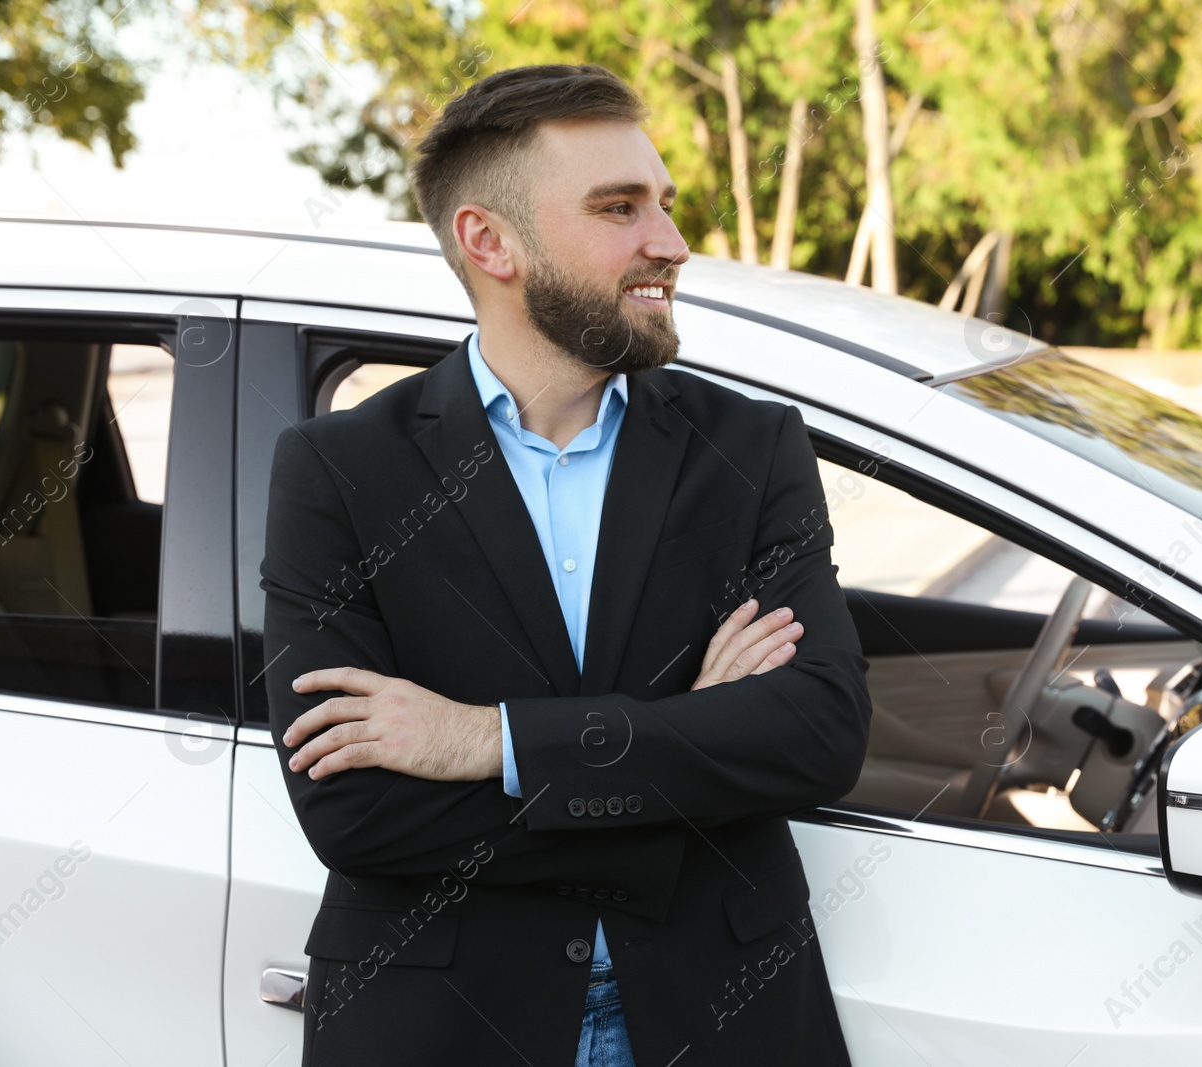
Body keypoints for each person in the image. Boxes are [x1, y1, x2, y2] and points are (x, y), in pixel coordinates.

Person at [259, 62, 870, 1067]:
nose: (669, 243)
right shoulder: (338, 469)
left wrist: (489, 740)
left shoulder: (751, 447)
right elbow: (354, 809)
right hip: (443, 1025)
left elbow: (816, 734)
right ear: (488, 240)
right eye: (618, 208)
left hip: (722, 1011)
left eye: (663, 205)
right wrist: (691, 746)